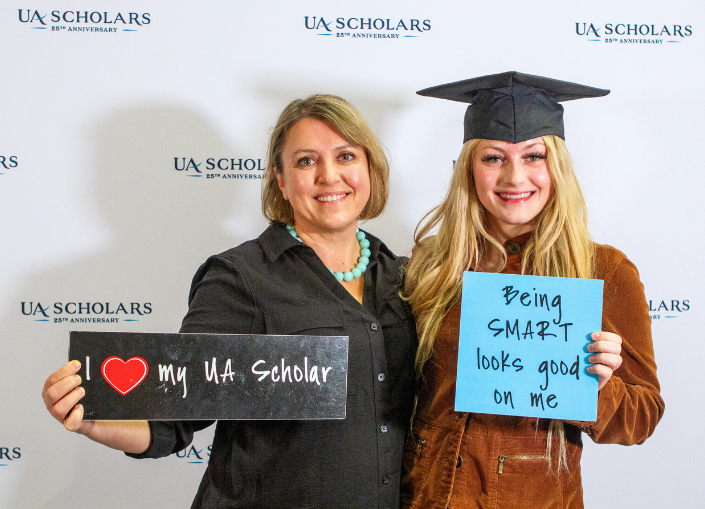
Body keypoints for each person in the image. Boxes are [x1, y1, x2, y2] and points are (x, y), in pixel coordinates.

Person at [43, 94, 417, 509]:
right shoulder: (239, 278)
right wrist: (95, 419)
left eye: (345, 156)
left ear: (369, 168)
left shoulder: (405, 278)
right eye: (306, 161)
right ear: (281, 179)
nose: (329, 176)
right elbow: (173, 419)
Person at [401, 72, 664, 509]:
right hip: (426, 495)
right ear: (469, 166)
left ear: (555, 164)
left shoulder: (604, 270)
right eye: (493, 157)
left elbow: (643, 417)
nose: (514, 176)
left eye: (534, 156)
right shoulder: (432, 264)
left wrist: (600, 387)